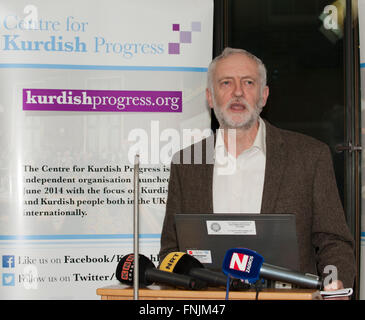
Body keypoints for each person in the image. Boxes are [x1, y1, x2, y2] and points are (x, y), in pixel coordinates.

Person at [159, 47, 356, 292]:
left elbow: (334, 242)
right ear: (210, 97)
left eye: (248, 82)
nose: (238, 92)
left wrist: (334, 283)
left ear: (263, 96)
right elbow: (170, 251)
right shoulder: (187, 162)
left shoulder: (309, 156)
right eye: (226, 83)